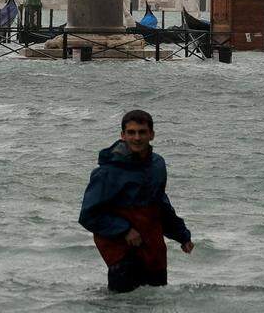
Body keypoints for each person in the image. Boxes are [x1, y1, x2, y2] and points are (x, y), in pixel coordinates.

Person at [79, 110, 193, 293]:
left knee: (155, 302)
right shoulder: (107, 172)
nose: (137, 137)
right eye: (131, 132)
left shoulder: (157, 165)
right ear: (122, 135)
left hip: (153, 248)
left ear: (152, 134)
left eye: (142, 132)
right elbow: (88, 215)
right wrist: (124, 230)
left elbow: (160, 204)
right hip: (122, 252)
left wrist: (182, 235)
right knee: (124, 305)